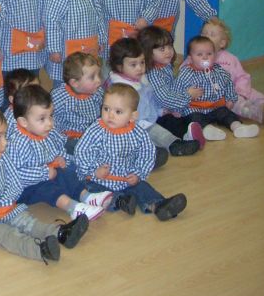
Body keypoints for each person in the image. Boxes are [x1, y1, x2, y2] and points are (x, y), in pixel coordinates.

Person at [0, 104, 89, 263]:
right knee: (7, 235)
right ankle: (40, 250)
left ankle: (60, 233)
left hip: (0, 206)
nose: (5, 142)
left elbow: (11, 174)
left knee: (27, 221)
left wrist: (12, 197)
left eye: (4, 136)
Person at [74, 84, 187, 221]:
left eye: (118, 112)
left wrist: (138, 174)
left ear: (133, 116)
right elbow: (82, 151)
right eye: (106, 108)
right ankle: (121, 201)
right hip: (100, 179)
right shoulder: (96, 129)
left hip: (126, 178)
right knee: (94, 191)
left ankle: (159, 206)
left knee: (143, 188)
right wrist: (94, 170)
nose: (110, 115)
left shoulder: (138, 133)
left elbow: (147, 154)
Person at [6, 84, 112, 221]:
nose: (49, 123)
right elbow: (15, 173)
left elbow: (59, 146)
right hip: (25, 188)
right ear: (23, 122)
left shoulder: (46, 131)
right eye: (42, 119)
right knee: (46, 187)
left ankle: (86, 196)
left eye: (51, 116)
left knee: (66, 173)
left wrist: (61, 158)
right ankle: (72, 207)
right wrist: (44, 172)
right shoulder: (17, 143)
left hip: (49, 171)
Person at [108, 37, 200, 157]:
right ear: (120, 67)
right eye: (133, 65)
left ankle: (179, 139)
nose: (140, 68)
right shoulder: (119, 89)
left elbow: (150, 101)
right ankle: (175, 146)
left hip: (150, 119)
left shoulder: (141, 80)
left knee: (167, 124)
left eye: (142, 62)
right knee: (158, 133)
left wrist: (160, 111)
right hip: (132, 128)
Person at [43, 0, 106, 87]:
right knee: (65, 84)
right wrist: (54, 50)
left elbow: (98, 15)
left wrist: (101, 38)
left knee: (88, 80)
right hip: (66, 52)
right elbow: (51, 22)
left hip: (89, 46)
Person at [175, 36, 260, 139]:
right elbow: (177, 90)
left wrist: (230, 99)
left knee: (226, 113)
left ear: (215, 56)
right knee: (194, 118)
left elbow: (228, 84)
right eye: (199, 54)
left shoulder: (218, 70)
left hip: (215, 106)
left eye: (209, 54)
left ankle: (238, 127)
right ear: (190, 57)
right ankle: (208, 130)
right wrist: (184, 98)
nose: (205, 57)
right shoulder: (186, 73)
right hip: (194, 108)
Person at [137, 25, 208, 145]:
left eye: (170, 46)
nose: (168, 51)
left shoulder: (165, 66)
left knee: (188, 114)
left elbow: (171, 88)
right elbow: (164, 99)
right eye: (162, 49)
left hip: (167, 108)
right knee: (171, 122)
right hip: (155, 114)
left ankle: (197, 130)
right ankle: (187, 136)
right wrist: (187, 95)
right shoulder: (153, 72)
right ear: (148, 51)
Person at [201, 17, 264, 124]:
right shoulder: (194, 57)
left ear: (222, 43)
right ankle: (253, 112)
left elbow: (242, 77)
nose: (206, 36)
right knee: (235, 102)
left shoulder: (230, 59)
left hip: (238, 90)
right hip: (219, 96)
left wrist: (242, 92)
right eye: (204, 33)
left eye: (212, 34)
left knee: (257, 96)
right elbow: (185, 72)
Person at [51, 52, 104, 154]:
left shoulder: (98, 92)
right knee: (77, 148)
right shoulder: (60, 96)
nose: (99, 80)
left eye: (99, 74)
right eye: (92, 77)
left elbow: (104, 111)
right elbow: (50, 118)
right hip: (70, 137)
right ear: (75, 83)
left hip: (92, 134)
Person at [3, 68, 39, 136]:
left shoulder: (39, 106)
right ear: (12, 100)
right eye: (27, 93)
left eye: (37, 89)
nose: (36, 95)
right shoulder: (11, 119)